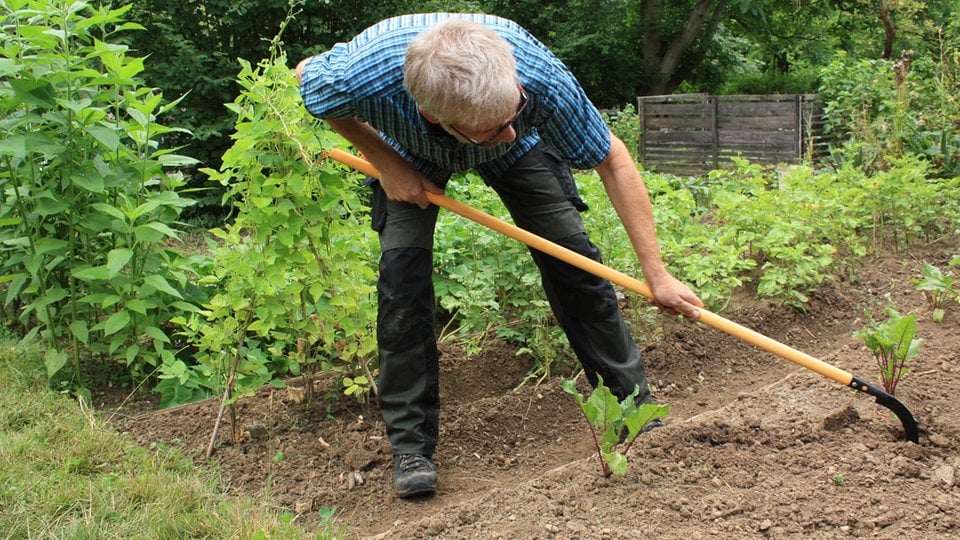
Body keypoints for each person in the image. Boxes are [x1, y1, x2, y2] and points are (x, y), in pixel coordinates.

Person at [296, 13, 704, 499]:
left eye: (513, 113)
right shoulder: (362, 72)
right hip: (410, 150)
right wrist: (386, 162)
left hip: (520, 156)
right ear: (434, 115)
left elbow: (611, 158)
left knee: (576, 266)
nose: (507, 129)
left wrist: (656, 273)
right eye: (494, 127)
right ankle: (412, 450)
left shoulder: (539, 82)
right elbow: (308, 80)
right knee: (401, 286)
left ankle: (634, 412)